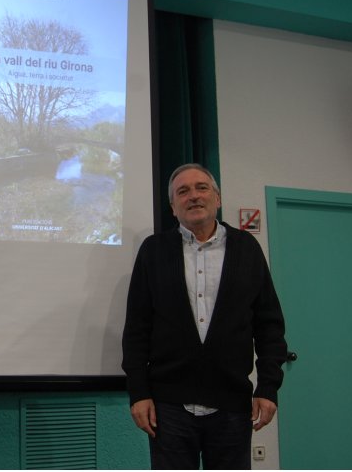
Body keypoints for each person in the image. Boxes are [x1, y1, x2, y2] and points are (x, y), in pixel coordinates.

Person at [121, 163, 287, 469]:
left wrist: (268, 387)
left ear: (218, 198)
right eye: (182, 191)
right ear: (173, 207)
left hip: (233, 407)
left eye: (202, 188)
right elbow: (136, 329)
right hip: (167, 409)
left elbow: (269, 326)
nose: (193, 196)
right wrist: (138, 393)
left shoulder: (247, 249)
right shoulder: (153, 251)